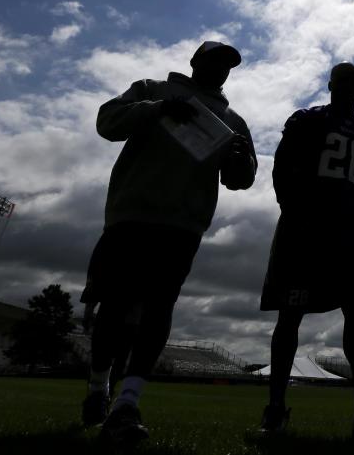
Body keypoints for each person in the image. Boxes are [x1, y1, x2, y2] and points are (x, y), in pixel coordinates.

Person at [80, 40, 257, 446]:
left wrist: (240, 157)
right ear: (194, 62)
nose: (220, 69)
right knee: (115, 305)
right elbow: (108, 122)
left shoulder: (232, 120)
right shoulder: (153, 88)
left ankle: (128, 401)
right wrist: (158, 109)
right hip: (131, 214)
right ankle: (98, 386)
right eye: (213, 60)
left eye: (228, 65)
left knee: (159, 308)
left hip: (182, 225)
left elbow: (240, 180)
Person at [258, 62, 354, 441]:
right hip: (306, 229)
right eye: (341, 81)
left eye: (353, 83)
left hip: (349, 234)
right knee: (291, 313)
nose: (348, 88)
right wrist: (294, 212)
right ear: (330, 85)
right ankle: (276, 409)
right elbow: (281, 169)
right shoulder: (307, 120)